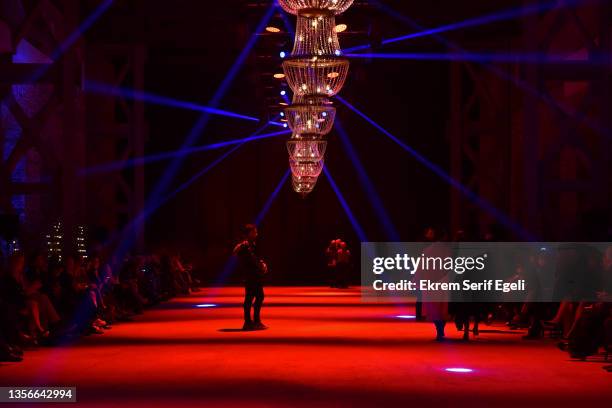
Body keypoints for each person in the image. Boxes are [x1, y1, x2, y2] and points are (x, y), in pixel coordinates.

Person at [233, 224, 268, 331]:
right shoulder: (244, 245)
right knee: (250, 298)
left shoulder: (252, 244)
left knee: (259, 296)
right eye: (254, 232)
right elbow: (247, 259)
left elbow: (256, 258)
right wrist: (260, 266)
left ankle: (255, 321)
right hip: (250, 275)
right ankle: (248, 322)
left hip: (255, 275)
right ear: (248, 234)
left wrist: (262, 264)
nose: (256, 233)